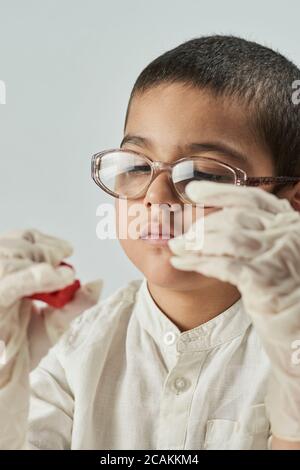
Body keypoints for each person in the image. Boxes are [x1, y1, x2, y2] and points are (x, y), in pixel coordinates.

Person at [0, 34, 300, 450]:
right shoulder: (72, 348)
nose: (156, 198)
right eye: (138, 165)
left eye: (205, 175)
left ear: (290, 203)